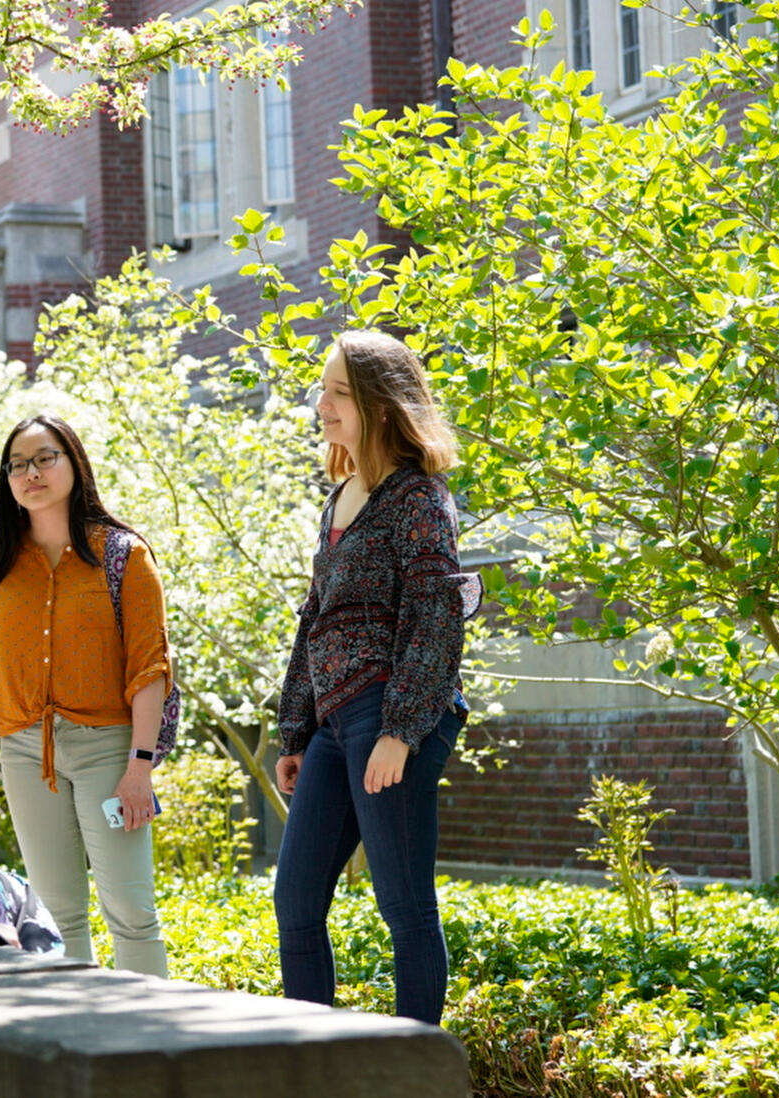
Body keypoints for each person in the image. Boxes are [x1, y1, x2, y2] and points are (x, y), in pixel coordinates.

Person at [273, 329, 468, 1024]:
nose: (320, 403)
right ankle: (313, 1070)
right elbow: (315, 620)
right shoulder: (341, 496)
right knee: (295, 904)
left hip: (391, 715)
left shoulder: (418, 499)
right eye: (322, 388)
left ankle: (416, 1071)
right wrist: (295, 730)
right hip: (334, 723)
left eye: (339, 392)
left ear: (382, 407)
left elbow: (437, 616)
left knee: (405, 907)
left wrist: (402, 730)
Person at [0, 415, 173, 976]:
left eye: (44, 458)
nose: (30, 473)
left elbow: (149, 669)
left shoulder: (124, 556)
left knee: (130, 908)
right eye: (17, 465)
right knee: (57, 915)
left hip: (109, 749)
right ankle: (80, 1048)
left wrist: (140, 766)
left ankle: (150, 1046)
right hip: (25, 751)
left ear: (75, 464)